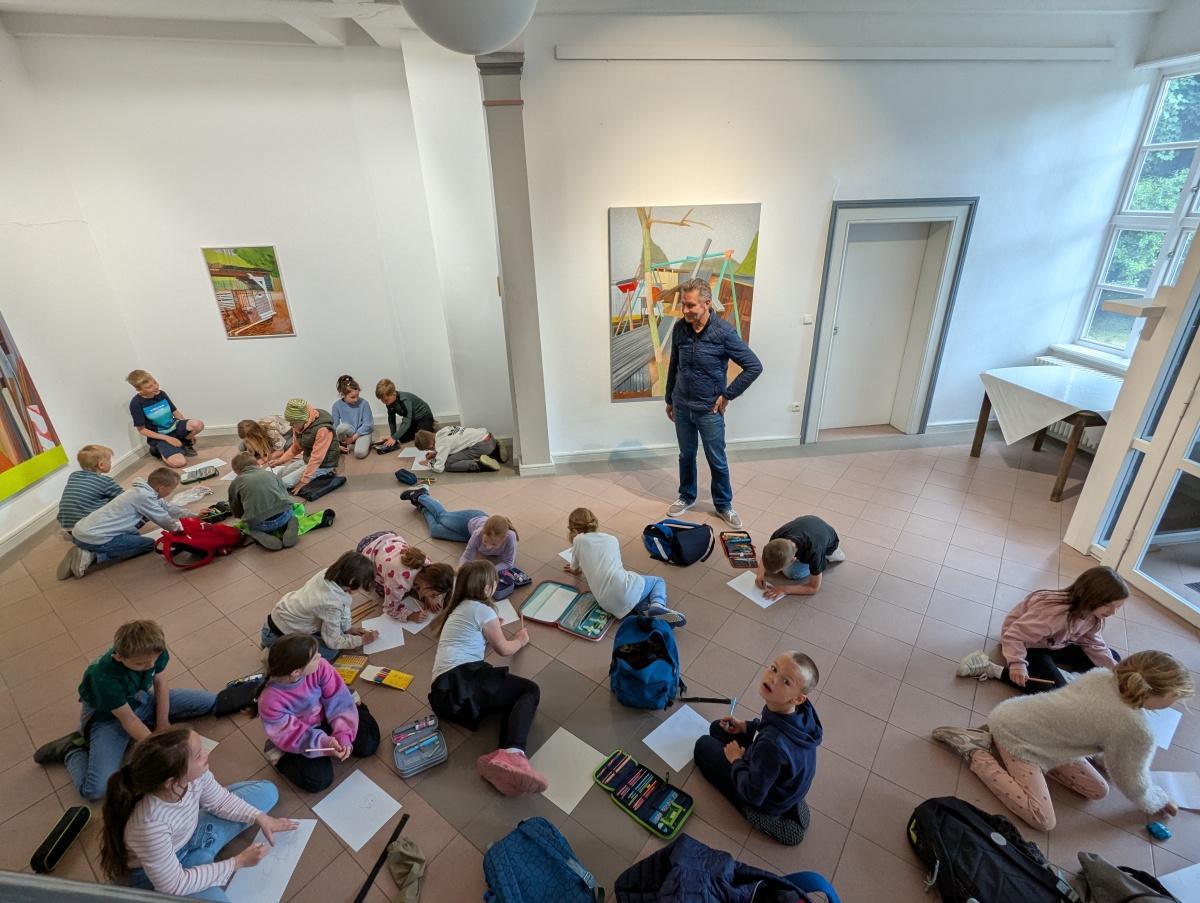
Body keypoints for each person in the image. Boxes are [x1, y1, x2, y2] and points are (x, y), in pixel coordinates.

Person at [932, 650, 1194, 832]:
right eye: (1176, 696)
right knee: (1043, 819)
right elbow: (1131, 779)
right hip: (1017, 737)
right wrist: (1156, 800)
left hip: (1019, 716)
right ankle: (973, 749)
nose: (1176, 702)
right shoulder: (1137, 730)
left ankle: (998, 742)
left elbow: (1096, 730)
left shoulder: (1101, 675)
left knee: (1098, 791)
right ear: (1154, 695)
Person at [100, 728, 296, 901]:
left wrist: (261, 818)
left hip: (193, 834)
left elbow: (220, 801)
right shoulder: (149, 825)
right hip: (168, 870)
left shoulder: (193, 776)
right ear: (172, 781)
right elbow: (173, 885)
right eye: (199, 755)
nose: (207, 753)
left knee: (267, 792)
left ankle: (204, 858)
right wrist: (237, 862)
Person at [33, 620, 217, 802]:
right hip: (108, 719)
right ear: (119, 657)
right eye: (141, 664)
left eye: (154, 660)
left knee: (210, 702)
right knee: (96, 790)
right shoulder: (103, 678)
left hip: (141, 701)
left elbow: (160, 683)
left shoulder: (152, 651)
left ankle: (149, 723)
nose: (151, 665)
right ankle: (73, 750)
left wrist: (163, 723)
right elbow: (128, 720)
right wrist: (161, 747)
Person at [429, 560, 548, 796]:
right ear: (487, 589)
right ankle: (514, 753)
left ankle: (506, 757)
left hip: (445, 697)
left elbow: (471, 646)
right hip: (463, 682)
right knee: (529, 691)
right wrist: (522, 639)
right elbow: (504, 650)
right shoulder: (483, 610)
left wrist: (490, 630)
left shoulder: (459, 608)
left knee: (509, 699)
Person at [693, 652, 822, 845]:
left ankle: (763, 816)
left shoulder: (773, 744)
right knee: (716, 727)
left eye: (785, 681)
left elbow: (753, 792)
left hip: (762, 797)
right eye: (774, 668)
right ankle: (790, 799)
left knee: (703, 746)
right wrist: (746, 726)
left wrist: (736, 760)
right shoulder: (799, 712)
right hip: (780, 775)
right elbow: (767, 726)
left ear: (798, 699)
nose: (773, 678)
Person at [664, 277, 762, 528]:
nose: (684, 311)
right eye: (683, 305)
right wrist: (669, 399)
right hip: (682, 407)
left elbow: (753, 366)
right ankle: (686, 496)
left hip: (709, 410)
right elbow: (674, 366)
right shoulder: (679, 329)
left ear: (707, 304)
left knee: (716, 458)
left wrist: (727, 395)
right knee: (686, 455)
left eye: (690, 305)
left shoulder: (724, 332)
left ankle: (724, 505)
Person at [957, 566, 1126, 693]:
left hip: (1054, 644)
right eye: (1109, 606)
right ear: (1090, 597)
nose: (1113, 612)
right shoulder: (1053, 615)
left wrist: (1117, 672)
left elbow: (1093, 644)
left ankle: (1065, 678)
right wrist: (1017, 664)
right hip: (1029, 645)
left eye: (1118, 607)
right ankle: (992, 669)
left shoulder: (1094, 615)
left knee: (1113, 658)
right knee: (1057, 692)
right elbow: (1014, 636)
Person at [255, 634, 381, 792]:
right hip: (301, 731)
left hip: (327, 713)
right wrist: (325, 743)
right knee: (319, 781)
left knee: (368, 744)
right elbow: (292, 733)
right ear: (296, 672)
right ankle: (279, 752)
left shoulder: (321, 666)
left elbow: (337, 699)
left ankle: (352, 705)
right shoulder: (269, 700)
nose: (320, 657)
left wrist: (343, 734)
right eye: (314, 657)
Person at [58, 467, 190, 580]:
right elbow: (163, 519)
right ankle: (92, 555)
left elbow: (167, 507)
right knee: (148, 544)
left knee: (134, 534)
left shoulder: (142, 491)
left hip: (81, 530)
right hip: (94, 537)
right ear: (161, 488)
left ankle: (84, 545)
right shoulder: (144, 497)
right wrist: (180, 531)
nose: (170, 493)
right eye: (171, 489)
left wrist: (193, 516)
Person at [564, 507, 685, 623]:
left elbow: (575, 569)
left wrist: (574, 570)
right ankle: (657, 605)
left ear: (574, 530)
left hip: (605, 604)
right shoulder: (612, 539)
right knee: (657, 581)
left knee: (631, 598)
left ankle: (645, 611)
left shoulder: (578, 540)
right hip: (624, 588)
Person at [261, 552, 379, 660]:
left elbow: (344, 605)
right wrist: (362, 640)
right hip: (278, 635)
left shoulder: (330, 574)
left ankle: (278, 647)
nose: (360, 590)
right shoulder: (331, 603)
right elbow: (333, 642)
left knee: (333, 633)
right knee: (330, 652)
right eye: (361, 586)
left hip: (281, 620)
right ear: (352, 581)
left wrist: (347, 629)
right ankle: (275, 653)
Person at [356, 529, 455, 621]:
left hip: (386, 536)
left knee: (408, 586)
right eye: (433, 595)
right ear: (426, 585)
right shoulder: (399, 580)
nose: (434, 597)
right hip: (366, 549)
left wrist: (427, 597)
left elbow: (425, 580)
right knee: (383, 592)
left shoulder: (429, 566)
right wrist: (410, 615)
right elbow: (390, 608)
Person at [127, 370, 204, 469]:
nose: (155, 387)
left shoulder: (161, 394)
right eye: (149, 387)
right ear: (138, 390)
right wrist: (168, 439)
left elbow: (175, 412)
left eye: (155, 382)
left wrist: (188, 434)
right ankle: (158, 450)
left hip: (174, 426)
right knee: (179, 463)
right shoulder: (136, 404)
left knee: (198, 424)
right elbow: (142, 430)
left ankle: (184, 443)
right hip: (160, 437)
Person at [757, 515, 844, 600]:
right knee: (775, 564)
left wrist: (784, 589)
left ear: (793, 560)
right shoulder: (777, 537)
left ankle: (830, 555)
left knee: (792, 573)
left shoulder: (813, 552)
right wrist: (760, 575)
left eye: (779, 570)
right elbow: (767, 554)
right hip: (810, 522)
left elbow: (814, 588)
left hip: (827, 540)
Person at [227, 452, 298, 551]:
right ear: (257, 464)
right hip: (283, 516)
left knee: (249, 527)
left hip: (261, 524)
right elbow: (285, 495)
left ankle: (257, 533)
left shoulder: (235, 483)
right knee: (290, 513)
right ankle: (290, 522)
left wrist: (240, 516)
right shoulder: (270, 474)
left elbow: (235, 506)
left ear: (236, 472)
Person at [268, 398, 339, 494]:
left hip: (324, 464)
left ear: (303, 420)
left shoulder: (323, 429)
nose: (291, 425)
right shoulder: (298, 425)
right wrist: (280, 460)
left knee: (283, 483)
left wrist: (303, 481)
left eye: (293, 423)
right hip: (308, 459)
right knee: (280, 474)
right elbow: (295, 448)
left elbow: (317, 458)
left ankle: (326, 473)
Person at [57, 444, 122, 532]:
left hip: (68, 527)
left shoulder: (74, 475)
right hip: (89, 528)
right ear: (101, 465)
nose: (110, 462)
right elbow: (123, 497)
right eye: (109, 461)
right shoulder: (105, 481)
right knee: (119, 503)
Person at [237, 417, 304, 481]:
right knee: (241, 447)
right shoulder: (250, 437)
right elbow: (247, 448)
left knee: (287, 446)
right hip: (263, 438)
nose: (247, 442)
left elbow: (280, 451)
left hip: (286, 432)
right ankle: (260, 446)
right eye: (246, 441)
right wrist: (249, 452)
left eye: (248, 440)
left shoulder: (271, 431)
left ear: (255, 437)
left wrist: (264, 460)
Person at [414, 425, 503, 474]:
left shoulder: (441, 445)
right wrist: (436, 453)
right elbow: (453, 445)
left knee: (449, 463)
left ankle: (480, 465)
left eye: (426, 449)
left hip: (482, 446)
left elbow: (439, 468)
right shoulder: (443, 430)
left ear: (430, 445)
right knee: (458, 453)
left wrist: (428, 463)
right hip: (488, 437)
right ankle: (495, 450)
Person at [374, 379, 434, 450]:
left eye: (386, 400)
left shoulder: (404, 400)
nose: (384, 402)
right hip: (413, 419)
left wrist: (394, 437)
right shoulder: (389, 403)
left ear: (393, 393)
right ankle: (417, 429)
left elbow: (406, 421)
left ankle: (430, 426)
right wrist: (393, 436)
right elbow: (391, 419)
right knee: (402, 438)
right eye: (382, 400)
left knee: (422, 440)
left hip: (424, 417)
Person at [332, 374, 374, 460]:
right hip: (349, 431)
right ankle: (343, 445)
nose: (356, 399)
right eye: (352, 397)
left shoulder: (364, 403)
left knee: (360, 454)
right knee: (341, 428)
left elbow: (368, 424)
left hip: (362, 432)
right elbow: (334, 427)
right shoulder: (336, 406)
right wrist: (335, 444)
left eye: (357, 396)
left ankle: (361, 442)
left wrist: (352, 439)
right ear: (343, 395)